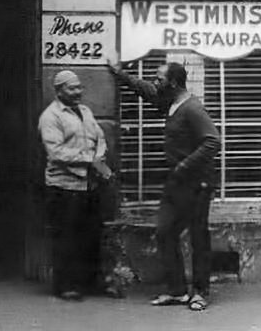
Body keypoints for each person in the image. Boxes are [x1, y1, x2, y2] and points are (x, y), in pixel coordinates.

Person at [107, 54, 220, 311]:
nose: (154, 83)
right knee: (165, 232)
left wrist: (184, 165)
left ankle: (200, 292)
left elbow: (213, 141)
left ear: (173, 83)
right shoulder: (169, 101)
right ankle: (178, 291)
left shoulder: (192, 108)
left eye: (159, 79)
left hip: (197, 183)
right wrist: (120, 75)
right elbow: (146, 91)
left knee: (198, 237)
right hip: (177, 182)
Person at [38, 69, 113, 301]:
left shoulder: (86, 111)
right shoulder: (50, 117)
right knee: (66, 237)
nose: (78, 91)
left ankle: (91, 283)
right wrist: (90, 160)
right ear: (59, 91)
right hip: (64, 186)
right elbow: (56, 152)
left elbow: (99, 137)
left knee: (91, 235)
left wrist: (98, 157)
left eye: (79, 87)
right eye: (72, 88)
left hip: (88, 185)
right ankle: (65, 286)